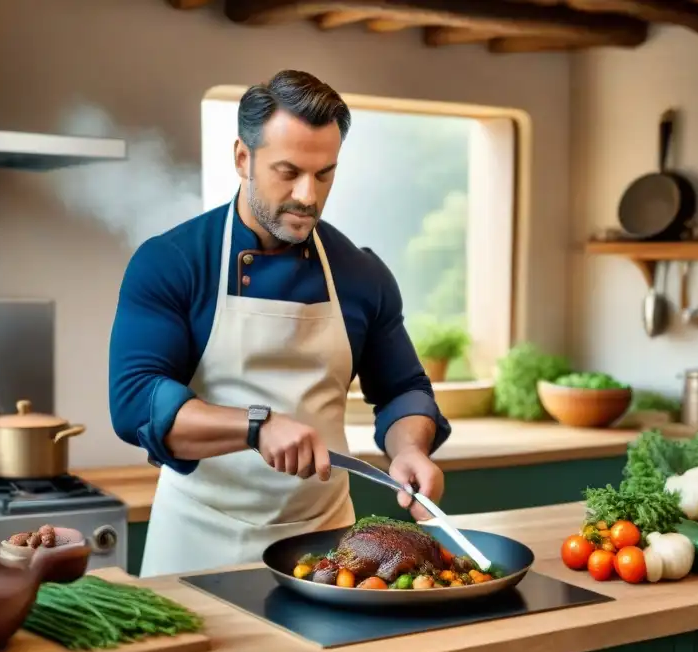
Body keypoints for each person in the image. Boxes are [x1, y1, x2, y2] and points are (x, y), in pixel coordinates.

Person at [109, 70, 452, 577]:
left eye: (324, 174)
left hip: (330, 546)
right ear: (243, 158)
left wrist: (410, 450)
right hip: (199, 539)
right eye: (288, 172)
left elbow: (402, 390)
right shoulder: (172, 262)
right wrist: (256, 427)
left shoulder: (360, 274)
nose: (308, 196)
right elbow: (136, 401)